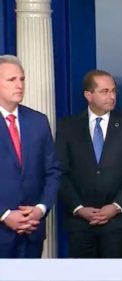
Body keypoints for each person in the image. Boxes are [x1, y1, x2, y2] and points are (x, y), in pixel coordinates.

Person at [56, 70, 122, 258]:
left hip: (117, 224)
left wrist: (116, 206)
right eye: (105, 91)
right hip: (79, 224)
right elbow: (61, 172)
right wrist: (79, 209)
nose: (112, 96)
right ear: (88, 95)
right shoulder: (67, 126)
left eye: (113, 91)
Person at [0, 55, 60, 258]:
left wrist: (40, 209)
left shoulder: (38, 121)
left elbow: (52, 171)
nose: (19, 85)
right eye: (11, 80)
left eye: (22, 79)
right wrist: (5, 214)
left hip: (32, 232)